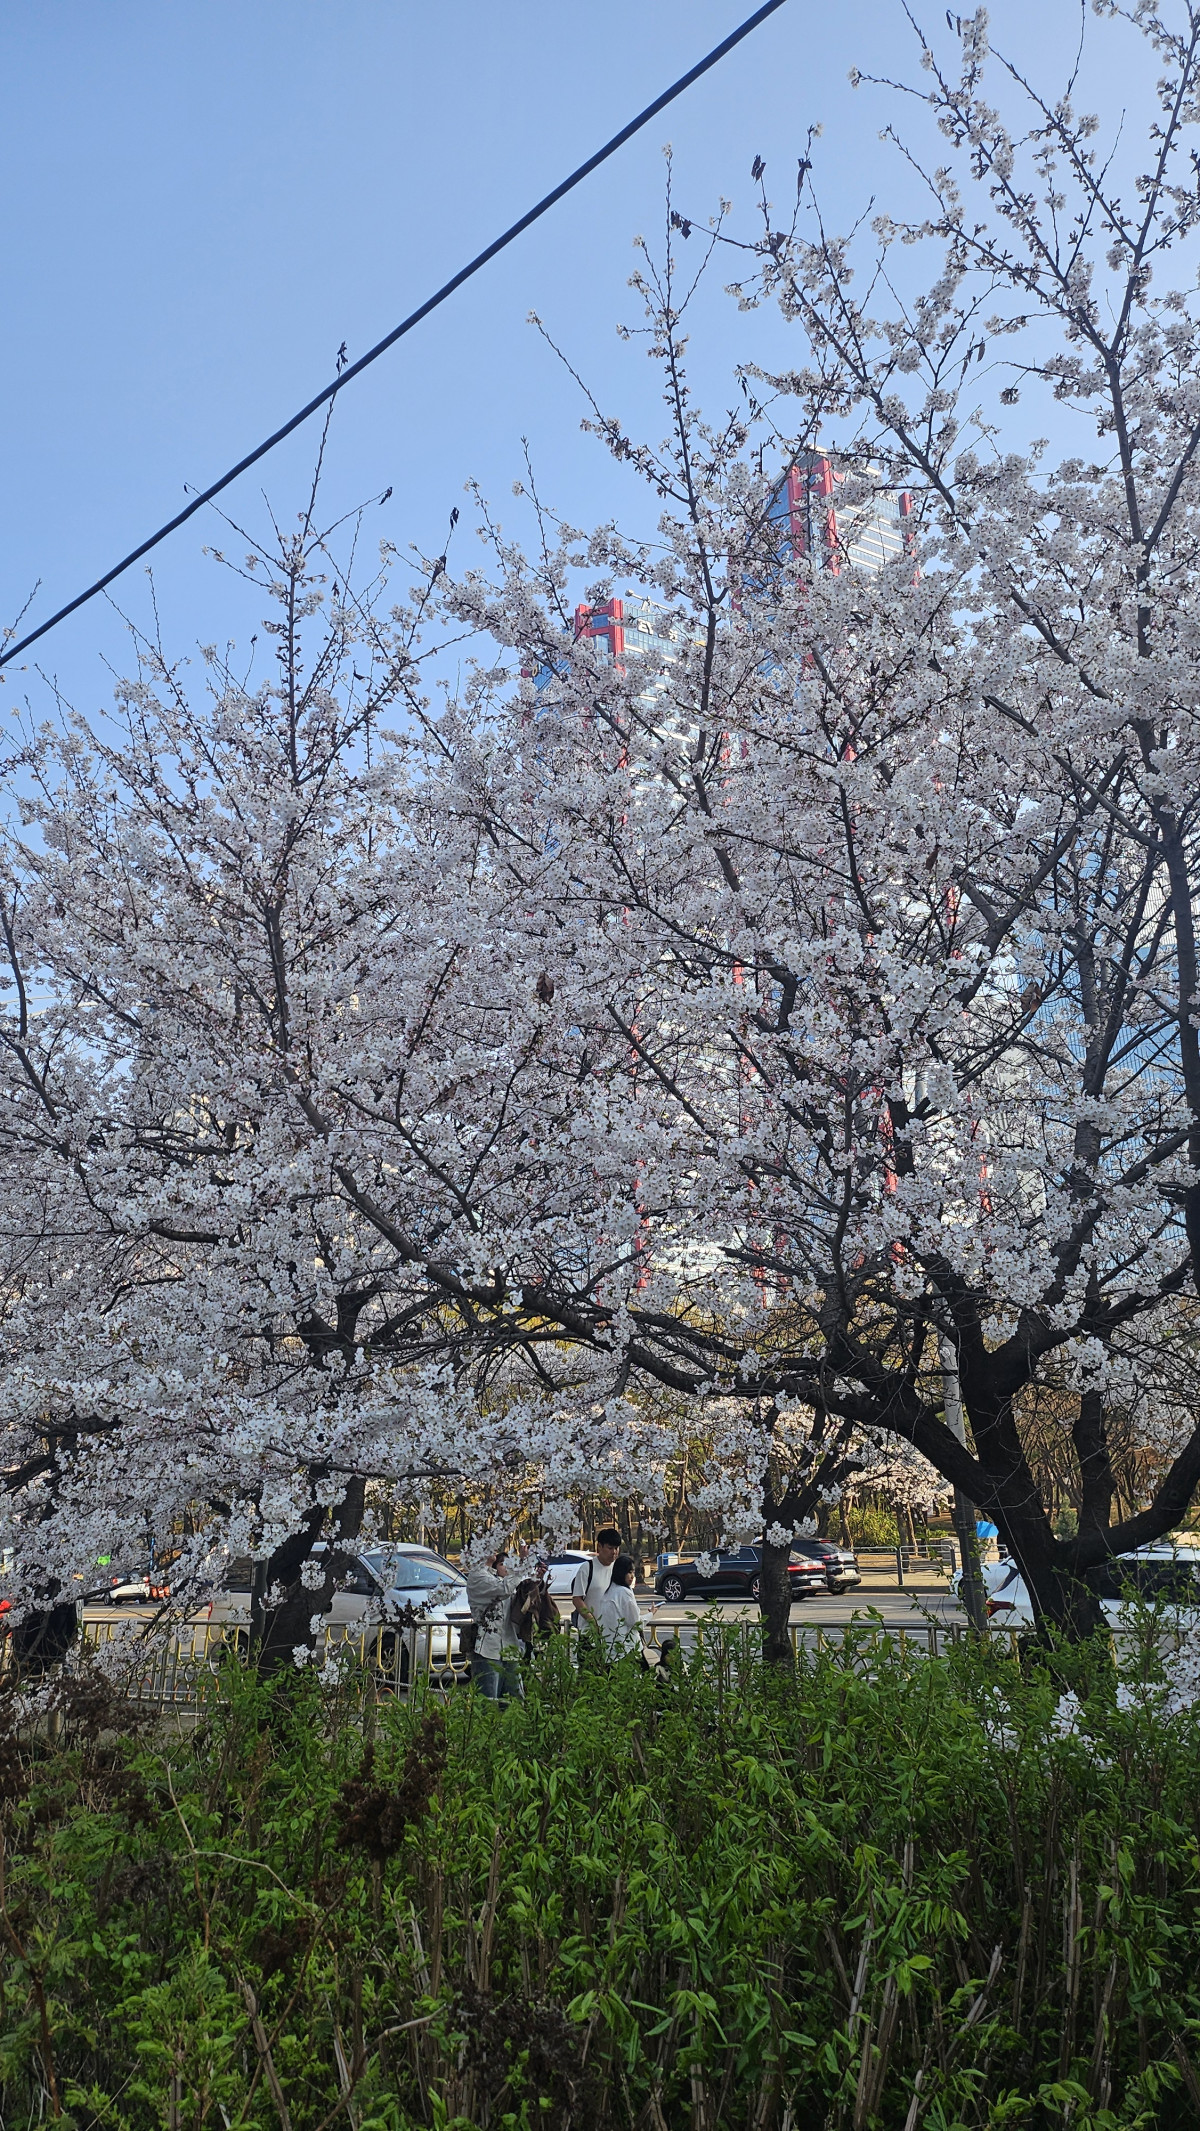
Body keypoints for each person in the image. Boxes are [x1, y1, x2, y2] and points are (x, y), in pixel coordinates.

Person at [464, 1544, 523, 1703]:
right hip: (487, 1649)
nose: (494, 1546)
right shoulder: (477, 1576)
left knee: (514, 1703)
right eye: (487, 1543)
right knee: (488, 1703)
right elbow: (503, 1590)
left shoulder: (497, 1576)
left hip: (509, 1647)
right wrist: (522, 1565)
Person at [571, 1526, 622, 1666]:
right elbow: (577, 1599)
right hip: (590, 1635)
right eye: (610, 1548)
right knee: (589, 1674)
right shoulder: (587, 1568)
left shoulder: (618, 1569)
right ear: (599, 1546)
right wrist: (593, 1622)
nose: (614, 1552)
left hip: (613, 1636)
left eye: (616, 1548)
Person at [594, 1553, 644, 1664]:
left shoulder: (609, 1592)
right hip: (626, 1651)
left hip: (609, 1652)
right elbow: (635, 1623)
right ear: (621, 1573)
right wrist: (651, 1614)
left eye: (633, 1572)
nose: (632, 1576)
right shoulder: (624, 1592)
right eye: (629, 1572)